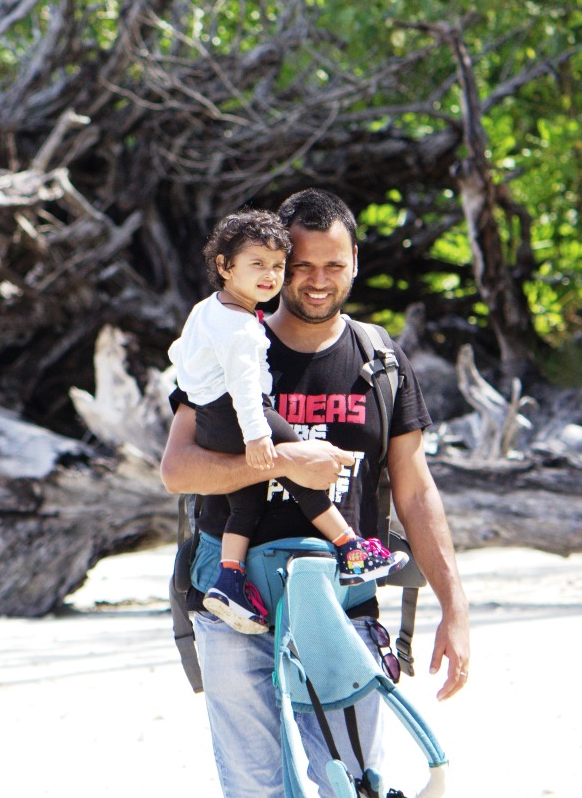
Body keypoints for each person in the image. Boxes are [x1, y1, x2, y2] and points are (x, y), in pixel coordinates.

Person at [159, 189, 470, 798]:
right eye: (299, 265)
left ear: (355, 260)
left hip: (343, 604)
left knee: (355, 785)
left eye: (333, 264)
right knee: (256, 790)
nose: (316, 281)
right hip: (235, 605)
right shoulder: (228, 340)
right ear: (270, 264)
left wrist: (455, 608)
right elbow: (178, 470)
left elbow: (416, 490)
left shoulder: (379, 358)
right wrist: (287, 459)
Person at [169, 210, 407, 636]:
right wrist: (266, 444)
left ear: (353, 260)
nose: (270, 276)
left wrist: (199, 383)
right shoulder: (243, 328)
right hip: (240, 411)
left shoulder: (207, 311)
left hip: (211, 413)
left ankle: (229, 578)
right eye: (259, 265)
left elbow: (178, 351)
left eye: (278, 266)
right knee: (303, 470)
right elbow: (243, 388)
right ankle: (351, 548)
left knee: (247, 500)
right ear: (224, 266)